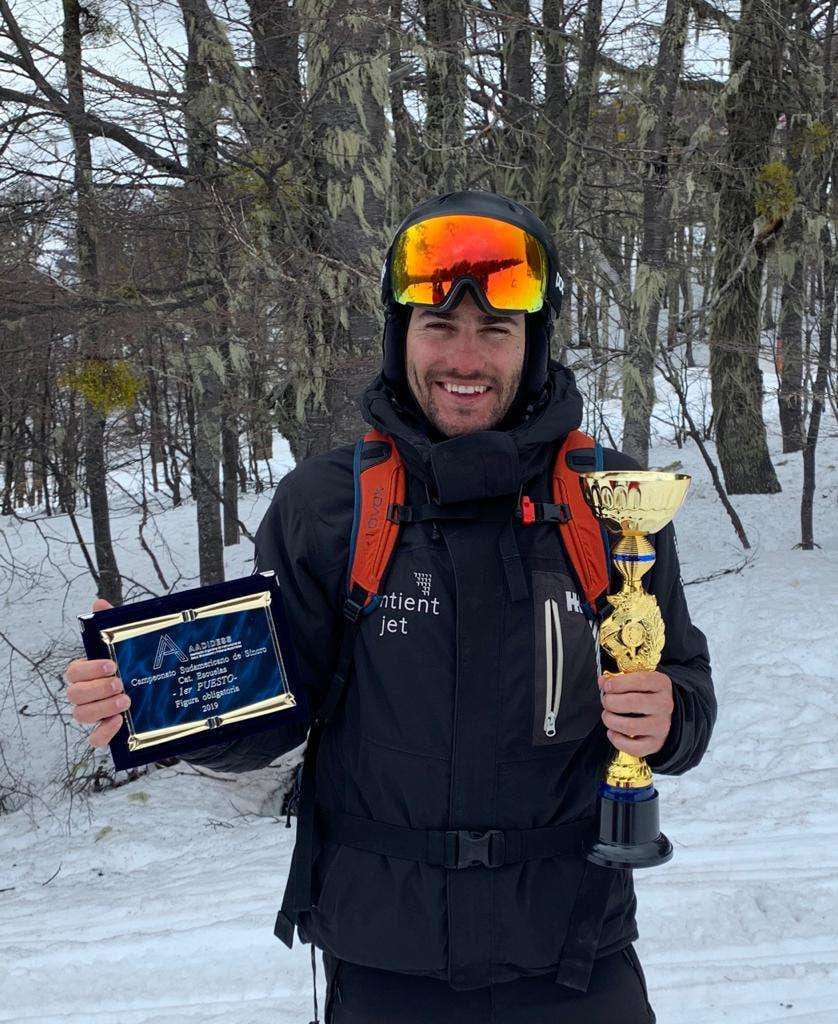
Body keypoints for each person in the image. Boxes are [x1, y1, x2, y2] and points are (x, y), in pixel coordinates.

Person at [65, 191, 716, 1023]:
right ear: (400, 336)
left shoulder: (613, 500)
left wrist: (668, 719)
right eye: (438, 327)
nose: (465, 358)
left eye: (496, 330)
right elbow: (271, 717)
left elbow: (687, 691)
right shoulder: (328, 505)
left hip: (576, 955)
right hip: (382, 962)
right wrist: (152, 695)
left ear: (536, 343)